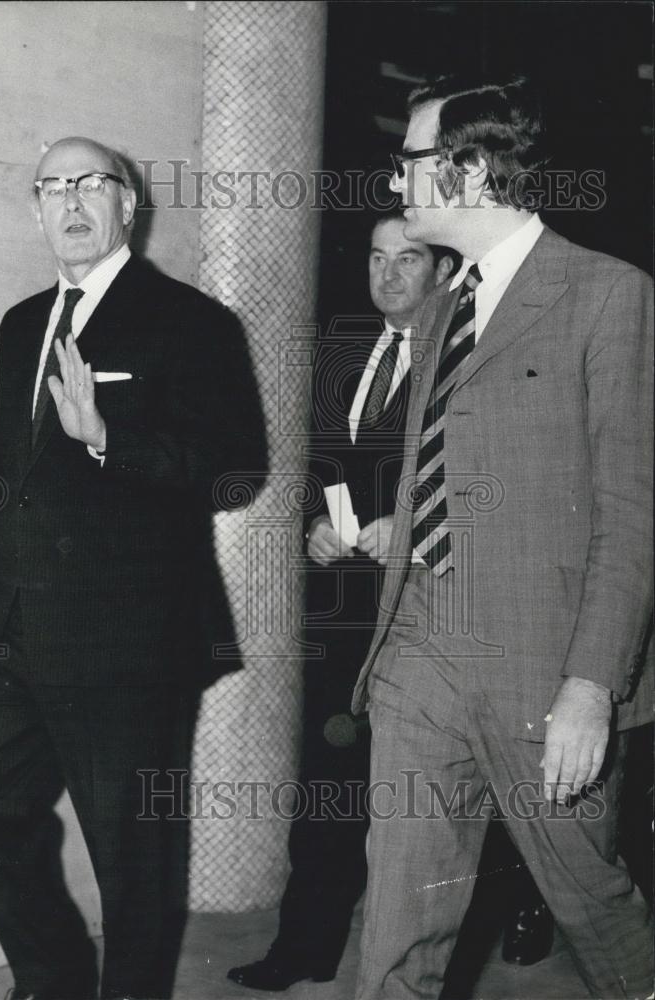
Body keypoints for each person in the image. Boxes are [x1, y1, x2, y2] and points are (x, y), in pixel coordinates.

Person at [0, 136, 266, 1000]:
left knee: (132, 858)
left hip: (129, 641)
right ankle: (52, 980)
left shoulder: (193, 322)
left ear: (130, 205)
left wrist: (110, 440)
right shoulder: (22, 324)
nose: (71, 202)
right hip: (14, 627)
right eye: (51, 187)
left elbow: (237, 467)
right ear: (37, 210)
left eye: (92, 184)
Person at [352, 77, 654, 999]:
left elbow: (633, 509)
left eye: (410, 160)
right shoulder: (443, 307)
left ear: (471, 169)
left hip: (543, 667)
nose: (396, 178)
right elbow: (448, 471)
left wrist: (592, 687)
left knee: (590, 904)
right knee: (396, 919)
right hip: (419, 651)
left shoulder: (608, 296)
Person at [228, 211, 457, 991]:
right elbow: (316, 466)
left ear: (445, 271)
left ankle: (495, 920)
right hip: (344, 608)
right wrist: (314, 527)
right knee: (328, 781)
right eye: (376, 257)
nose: (388, 274)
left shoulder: (469, 360)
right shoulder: (347, 350)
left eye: (409, 258)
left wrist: (415, 528)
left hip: (431, 605)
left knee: (436, 795)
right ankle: (304, 951)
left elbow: (496, 488)